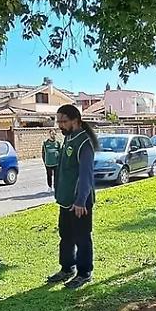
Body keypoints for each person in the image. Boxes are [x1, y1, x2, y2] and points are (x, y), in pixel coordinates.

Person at [46, 104, 98, 290]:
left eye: (63, 121)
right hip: (66, 200)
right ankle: (67, 268)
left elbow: (86, 175)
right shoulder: (68, 138)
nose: (60, 125)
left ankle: (84, 273)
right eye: (58, 121)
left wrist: (80, 200)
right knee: (66, 236)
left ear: (75, 120)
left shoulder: (84, 143)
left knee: (82, 238)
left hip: (79, 202)